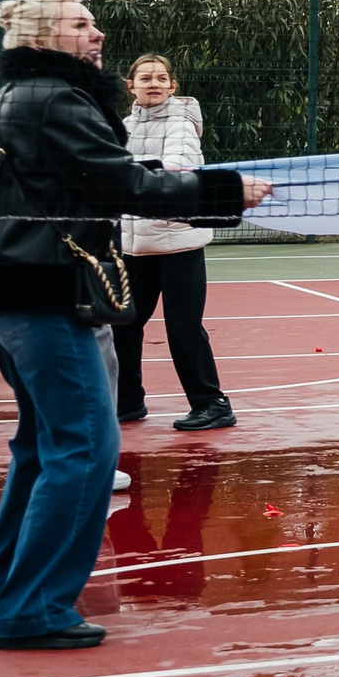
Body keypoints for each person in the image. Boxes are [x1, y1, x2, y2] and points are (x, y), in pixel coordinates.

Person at [0, 0, 269, 651]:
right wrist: (221, 190)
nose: (97, 32)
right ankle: (31, 609)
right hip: (43, 290)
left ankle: (4, 580)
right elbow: (121, 185)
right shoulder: (56, 100)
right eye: (81, 24)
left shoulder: (21, 98)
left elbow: (106, 177)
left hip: (3, 287)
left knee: (43, 444)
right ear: (43, 35)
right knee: (86, 451)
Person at [112, 54, 237, 433]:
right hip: (136, 245)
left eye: (161, 78)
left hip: (179, 243)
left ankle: (212, 404)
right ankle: (127, 401)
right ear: (130, 85)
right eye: (145, 77)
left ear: (172, 86)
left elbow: (176, 167)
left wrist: (126, 179)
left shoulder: (181, 123)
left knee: (182, 328)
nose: (153, 83)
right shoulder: (123, 126)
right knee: (124, 325)